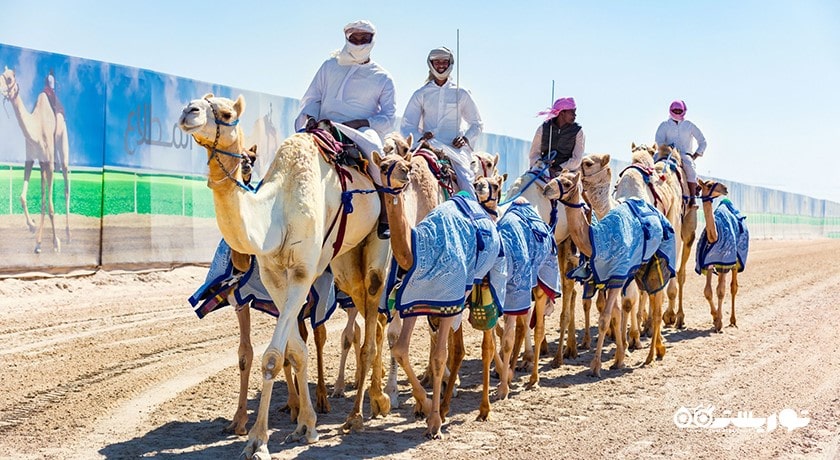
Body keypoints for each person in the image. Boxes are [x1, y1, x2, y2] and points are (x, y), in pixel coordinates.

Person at [295, 19, 397, 238]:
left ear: (372, 40)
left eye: (364, 38)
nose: (359, 42)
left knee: (373, 149)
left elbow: (388, 117)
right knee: (291, 148)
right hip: (324, 125)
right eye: (354, 38)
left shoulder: (383, 77)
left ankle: (385, 211)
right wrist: (311, 117)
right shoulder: (329, 66)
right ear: (347, 39)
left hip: (361, 130)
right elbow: (312, 97)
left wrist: (362, 123)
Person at [400, 46, 484, 197]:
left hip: (455, 150)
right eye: (436, 62)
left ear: (450, 63)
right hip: (428, 146)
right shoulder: (421, 94)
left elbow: (477, 123)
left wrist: (465, 139)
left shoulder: (461, 93)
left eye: (444, 62)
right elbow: (407, 126)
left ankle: (473, 216)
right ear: (431, 64)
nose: (440, 65)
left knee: (466, 181)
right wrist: (421, 138)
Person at [654, 100, 707, 207]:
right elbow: (659, 141)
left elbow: (703, 142)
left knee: (690, 169)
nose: (677, 112)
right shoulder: (664, 125)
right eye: (675, 110)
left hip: (684, 155)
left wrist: (695, 155)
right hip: (667, 155)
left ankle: (692, 199)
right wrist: (666, 149)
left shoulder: (689, 125)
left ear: (684, 111)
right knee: (653, 163)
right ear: (671, 110)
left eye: (680, 110)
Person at [528, 97, 584, 177]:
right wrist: (543, 165)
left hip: (566, 174)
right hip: (543, 170)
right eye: (572, 112)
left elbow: (577, 159)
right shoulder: (543, 128)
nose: (575, 115)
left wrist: (558, 168)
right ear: (562, 113)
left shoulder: (578, 131)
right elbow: (534, 154)